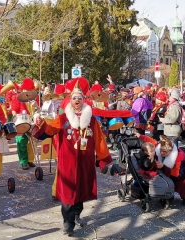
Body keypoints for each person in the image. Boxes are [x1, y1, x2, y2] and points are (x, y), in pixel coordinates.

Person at [32, 80, 112, 236]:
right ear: (70, 100)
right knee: (68, 191)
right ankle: (68, 222)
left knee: (81, 189)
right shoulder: (62, 119)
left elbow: (99, 140)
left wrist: (103, 160)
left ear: (83, 100)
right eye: (74, 98)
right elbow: (49, 130)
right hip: (67, 161)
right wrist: (41, 124)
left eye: (79, 98)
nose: (77, 100)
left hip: (85, 160)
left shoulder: (92, 120)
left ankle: (77, 215)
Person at [134, 133, 185, 205]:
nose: (161, 153)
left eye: (164, 152)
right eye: (160, 151)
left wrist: (163, 167)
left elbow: (178, 175)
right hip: (169, 169)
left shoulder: (180, 157)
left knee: (181, 184)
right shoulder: (160, 147)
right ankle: (166, 194)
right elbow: (151, 142)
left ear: (170, 151)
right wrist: (140, 136)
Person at [11, 78, 38, 170]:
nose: (29, 92)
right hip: (21, 123)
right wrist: (16, 119)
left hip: (32, 123)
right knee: (21, 144)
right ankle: (23, 162)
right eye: (27, 90)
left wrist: (37, 106)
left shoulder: (33, 99)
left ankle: (30, 160)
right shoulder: (17, 97)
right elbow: (14, 109)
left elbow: (38, 110)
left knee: (32, 143)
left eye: (31, 90)